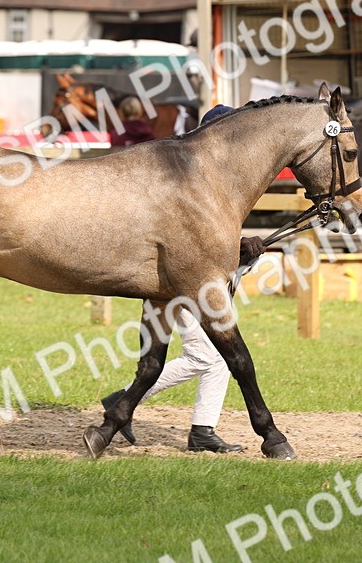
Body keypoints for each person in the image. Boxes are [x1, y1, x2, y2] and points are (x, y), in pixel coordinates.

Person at [100, 104, 266, 453]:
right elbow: (195, 247)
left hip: (185, 282)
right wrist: (239, 250)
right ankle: (139, 405)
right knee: (211, 358)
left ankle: (169, 416)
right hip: (186, 284)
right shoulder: (196, 180)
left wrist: (242, 251)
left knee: (208, 359)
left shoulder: (213, 183)